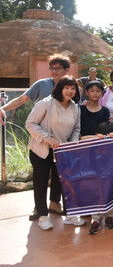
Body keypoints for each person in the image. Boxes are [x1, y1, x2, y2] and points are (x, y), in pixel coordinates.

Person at [1, 54, 71, 220]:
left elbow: (77, 110)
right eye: (52, 68)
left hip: (62, 140)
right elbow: (21, 99)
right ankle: (39, 208)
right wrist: (3, 108)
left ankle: (55, 203)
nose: (54, 72)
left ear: (66, 70)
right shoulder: (41, 84)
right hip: (41, 139)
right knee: (40, 174)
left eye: (58, 68)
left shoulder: (71, 87)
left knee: (58, 174)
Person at [25, 76, 86, 230]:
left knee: (65, 181)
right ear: (60, 88)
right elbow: (30, 123)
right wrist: (47, 138)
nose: (70, 91)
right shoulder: (46, 103)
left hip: (62, 151)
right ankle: (43, 217)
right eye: (67, 88)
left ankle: (71, 216)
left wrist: (70, 144)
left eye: (73, 88)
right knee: (41, 182)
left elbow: (76, 128)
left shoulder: (75, 107)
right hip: (42, 150)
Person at [81, 122, 113, 235]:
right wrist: (96, 137)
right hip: (95, 177)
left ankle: (109, 217)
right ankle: (96, 220)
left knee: (110, 197)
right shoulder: (92, 141)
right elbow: (82, 138)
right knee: (96, 198)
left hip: (109, 176)